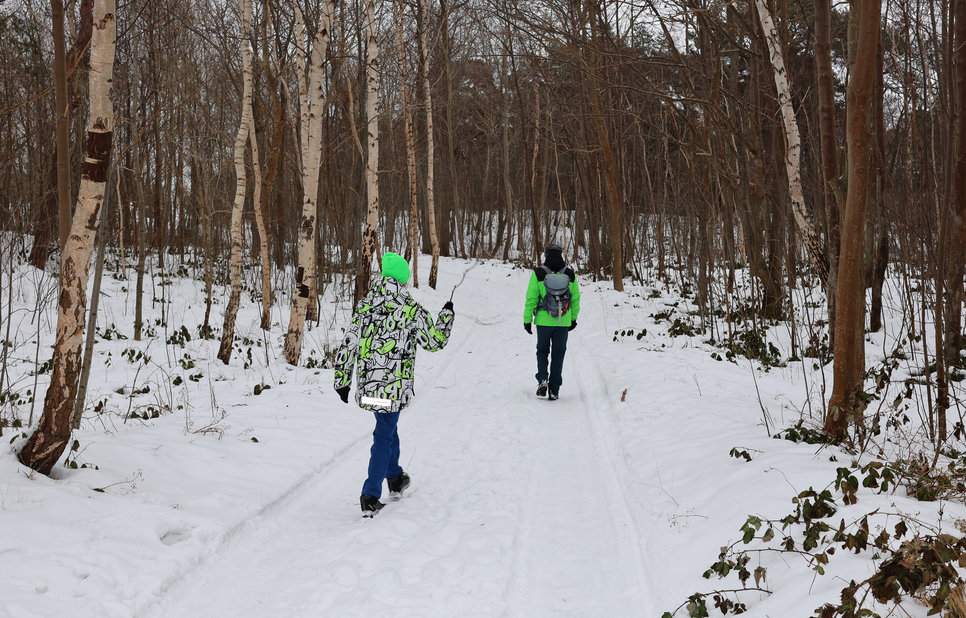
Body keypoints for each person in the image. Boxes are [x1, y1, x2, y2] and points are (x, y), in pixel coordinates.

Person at [333, 252, 455, 515]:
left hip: (368, 388)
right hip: (393, 390)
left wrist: (342, 380)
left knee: (387, 427)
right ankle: (370, 494)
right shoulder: (410, 310)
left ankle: (395, 476)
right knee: (384, 433)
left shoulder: (365, 306)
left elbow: (349, 343)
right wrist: (446, 316)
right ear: (401, 280)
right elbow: (435, 341)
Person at [523, 242, 580, 400]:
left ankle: (542, 379)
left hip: (543, 321)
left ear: (546, 254)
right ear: (560, 254)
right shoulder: (569, 274)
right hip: (563, 321)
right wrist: (573, 319)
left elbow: (531, 299)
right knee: (558, 354)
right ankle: (554, 389)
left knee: (542, 351)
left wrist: (527, 320)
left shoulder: (539, 273)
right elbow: (575, 299)